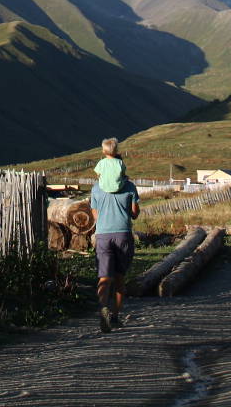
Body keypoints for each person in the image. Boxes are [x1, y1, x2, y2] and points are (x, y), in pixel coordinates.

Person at [89, 137, 140, 332]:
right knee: (119, 279)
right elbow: (134, 213)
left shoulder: (96, 188)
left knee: (104, 277)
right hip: (123, 234)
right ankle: (116, 317)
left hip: (103, 235)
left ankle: (103, 306)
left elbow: (95, 214)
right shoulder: (130, 187)